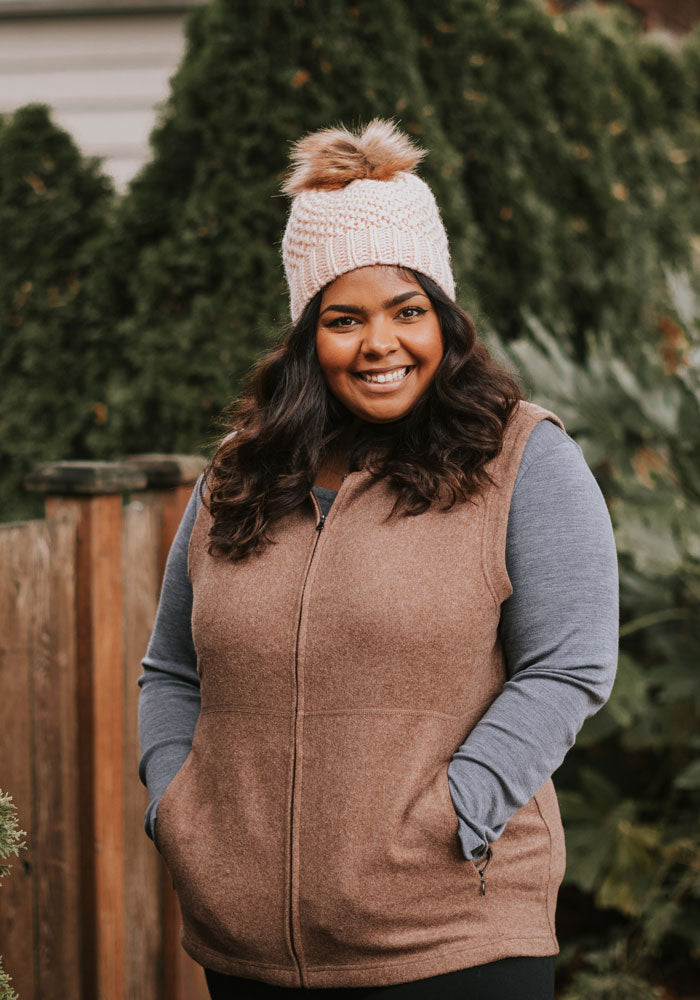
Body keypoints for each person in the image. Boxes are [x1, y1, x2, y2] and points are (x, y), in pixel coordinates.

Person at [137, 119, 619, 1000]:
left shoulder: (521, 457)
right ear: (306, 336)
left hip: (453, 937)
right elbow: (169, 668)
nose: (380, 345)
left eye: (408, 311)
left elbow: (569, 663)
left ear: (445, 315)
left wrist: (458, 814)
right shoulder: (240, 472)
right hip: (246, 950)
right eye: (344, 319)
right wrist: (180, 810)